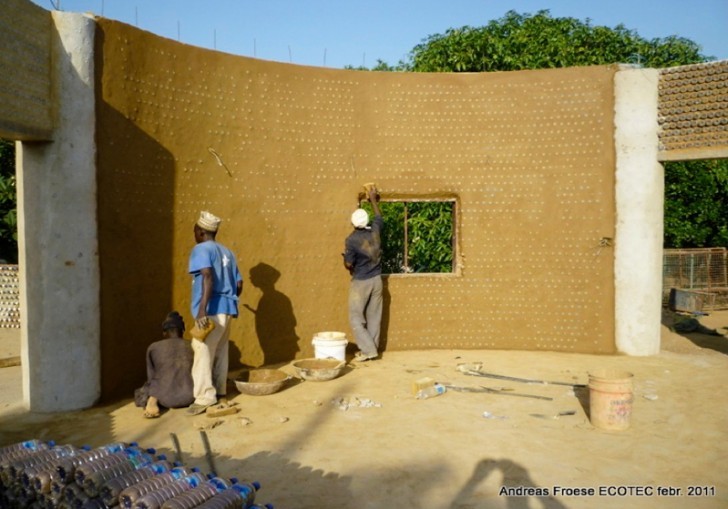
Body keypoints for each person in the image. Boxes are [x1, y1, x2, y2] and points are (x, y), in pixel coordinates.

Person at [187, 210, 243, 416]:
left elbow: (207, 277)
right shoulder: (227, 252)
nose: (194, 234)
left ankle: (204, 398)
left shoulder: (201, 249)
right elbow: (239, 283)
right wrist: (231, 303)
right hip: (227, 308)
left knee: (202, 349)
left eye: (195, 230)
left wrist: (202, 310)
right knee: (220, 350)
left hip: (210, 309)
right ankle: (219, 391)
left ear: (201, 231)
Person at [343, 185, 383, 361]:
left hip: (361, 281)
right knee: (374, 316)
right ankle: (372, 349)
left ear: (353, 223)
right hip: (377, 280)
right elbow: (379, 217)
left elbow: (349, 263)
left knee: (356, 318)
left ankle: (368, 351)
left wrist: (346, 259)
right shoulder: (375, 230)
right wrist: (373, 199)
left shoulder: (351, 240)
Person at [134, 311, 194, 418]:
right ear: (182, 331)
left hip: (165, 398)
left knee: (147, 387)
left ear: (164, 332)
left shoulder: (153, 347)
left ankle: (152, 400)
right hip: (191, 396)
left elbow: (151, 377)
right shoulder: (193, 345)